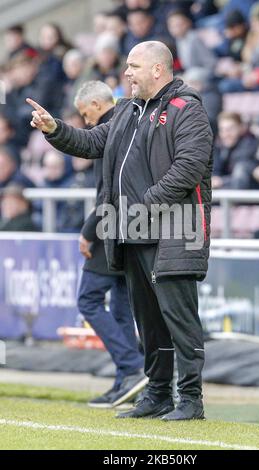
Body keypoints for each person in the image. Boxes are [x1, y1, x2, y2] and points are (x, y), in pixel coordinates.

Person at [27, 40, 213, 421]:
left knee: (180, 320)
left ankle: (191, 400)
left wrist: (144, 203)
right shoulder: (129, 110)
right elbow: (93, 141)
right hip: (132, 232)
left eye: (133, 66)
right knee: (148, 323)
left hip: (174, 230)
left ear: (158, 70)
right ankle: (157, 395)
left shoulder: (186, 109)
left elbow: (190, 166)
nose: (126, 73)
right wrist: (54, 129)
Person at [74, 80, 145, 408]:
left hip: (108, 228)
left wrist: (89, 230)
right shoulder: (126, 122)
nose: (85, 121)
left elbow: (107, 188)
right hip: (127, 226)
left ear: (97, 104)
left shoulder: (108, 129)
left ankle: (131, 369)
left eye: (85, 113)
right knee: (120, 307)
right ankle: (126, 384)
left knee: (88, 299)